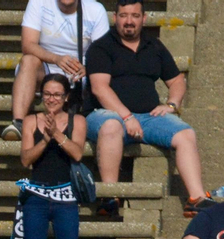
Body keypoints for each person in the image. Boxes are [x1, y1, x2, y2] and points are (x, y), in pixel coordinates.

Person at [85, 0, 209, 219]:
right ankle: (110, 197)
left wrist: (171, 104)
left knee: (186, 134)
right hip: (107, 115)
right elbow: (99, 88)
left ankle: (196, 199)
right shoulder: (101, 47)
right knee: (112, 126)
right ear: (115, 18)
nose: (129, 21)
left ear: (144, 18)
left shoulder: (154, 46)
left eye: (134, 16)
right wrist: (126, 116)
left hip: (148, 117)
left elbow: (177, 80)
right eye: (124, 16)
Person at [18, 73, 87, 239]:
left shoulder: (77, 120)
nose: (51, 99)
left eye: (57, 94)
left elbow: (77, 153)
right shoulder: (30, 121)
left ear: (66, 97)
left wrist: (56, 134)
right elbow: (26, 159)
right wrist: (45, 139)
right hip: (36, 197)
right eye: (47, 94)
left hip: (65, 197)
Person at [4, 0, 110, 142]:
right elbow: (28, 45)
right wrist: (56, 59)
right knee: (28, 60)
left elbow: (103, 53)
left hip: (80, 72)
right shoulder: (38, 3)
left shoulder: (95, 10)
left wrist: (88, 69)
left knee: (99, 73)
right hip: (47, 66)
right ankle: (19, 122)